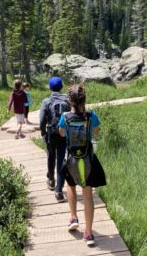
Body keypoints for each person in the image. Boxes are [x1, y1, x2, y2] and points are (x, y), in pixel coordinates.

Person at [58, 84, 106, 246]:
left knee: (70, 186)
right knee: (87, 195)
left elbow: (62, 133)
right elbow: (96, 132)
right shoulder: (91, 116)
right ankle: (89, 233)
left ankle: (73, 217)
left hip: (71, 159)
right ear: (84, 99)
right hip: (87, 161)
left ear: (69, 101)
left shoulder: (64, 117)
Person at [39, 77, 70, 202]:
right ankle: (59, 191)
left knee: (51, 157)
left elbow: (42, 120)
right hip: (64, 134)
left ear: (50, 88)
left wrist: (43, 133)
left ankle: (51, 180)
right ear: (61, 87)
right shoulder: (67, 100)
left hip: (51, 133)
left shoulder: (46, 101)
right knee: (61, 160)